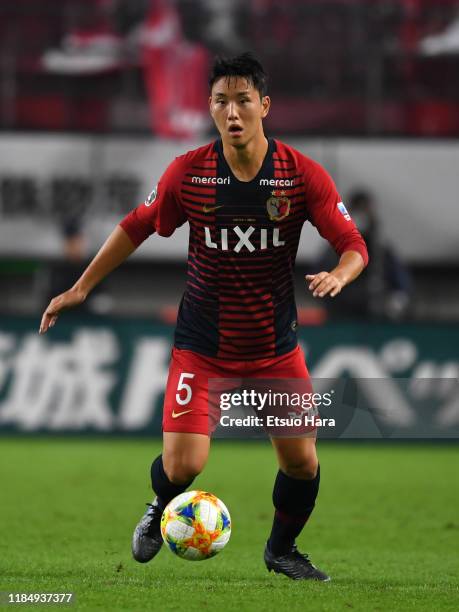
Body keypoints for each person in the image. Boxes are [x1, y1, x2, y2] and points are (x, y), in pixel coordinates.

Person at [39, 53, 368, 581]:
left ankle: (281, 550)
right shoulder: (190, 173)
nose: (232, 112)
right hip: (202, 346)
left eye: (242, 100)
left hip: (272, 348)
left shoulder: (300, 174)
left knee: (303, 464)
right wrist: (80, 287)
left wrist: (342, 273)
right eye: (221, 101)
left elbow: (353, 243)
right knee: (184, 467)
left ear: (264, 105)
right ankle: (157, 507)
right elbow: (136, 225)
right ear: (210, 109)